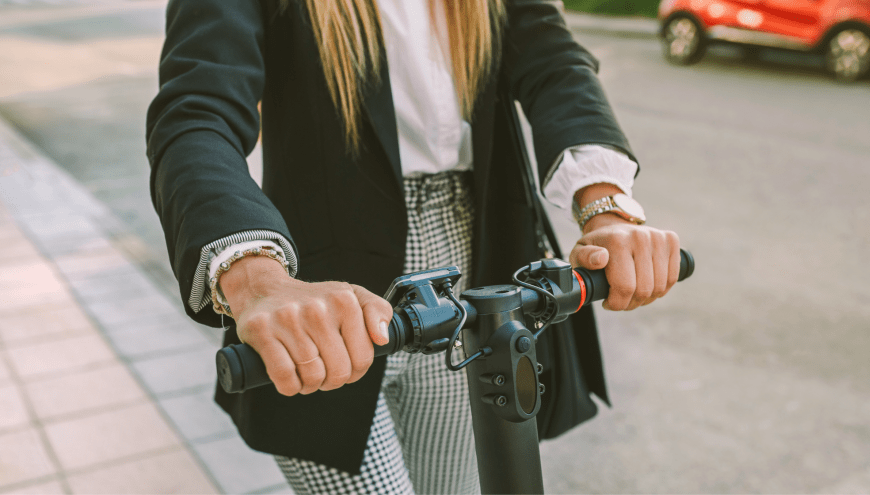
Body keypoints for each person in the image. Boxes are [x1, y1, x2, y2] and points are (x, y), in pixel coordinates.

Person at [146, 0, 681, 493]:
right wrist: (256, 278)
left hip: (469, 264)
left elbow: (553, 62)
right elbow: (198, 110)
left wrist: (606, 207)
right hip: (322, 288)